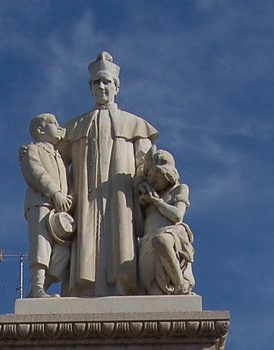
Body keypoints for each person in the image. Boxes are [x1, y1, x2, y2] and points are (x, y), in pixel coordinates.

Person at [62, 51, 157, 297]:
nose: (101, 86)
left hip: (122, 194)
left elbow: (146, 163)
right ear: (90, 87)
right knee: (87, 238)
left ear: (117, 86)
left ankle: (125, 285)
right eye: (97, 82)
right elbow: (57, 163)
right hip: (86, 196)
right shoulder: (75, 126)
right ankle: (84, 287)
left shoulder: (134, 124)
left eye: (106, 82)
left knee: (121, 237)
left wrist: (145, 183)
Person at [21, 113, 74, 298]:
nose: (59, 127)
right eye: (54, 123)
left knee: (64, 250)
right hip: (40, 203)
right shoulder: (33, 150)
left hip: (59, 210)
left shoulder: (59, 156)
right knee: (41, 244)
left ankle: (41, 288)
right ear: (40, 130)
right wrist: (55, 194)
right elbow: (36, 173)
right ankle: (37, 287)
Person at [136, 148, 195, 295]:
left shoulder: (179, 189)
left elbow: (176, 216)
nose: (151, 180)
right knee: (155, 294)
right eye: (149, 176)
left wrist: (157, 202)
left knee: (161, 241)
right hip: (148, 243)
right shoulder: (148, 195)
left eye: (155, 176)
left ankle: (180, 284)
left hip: (171, 234)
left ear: (167, 174)